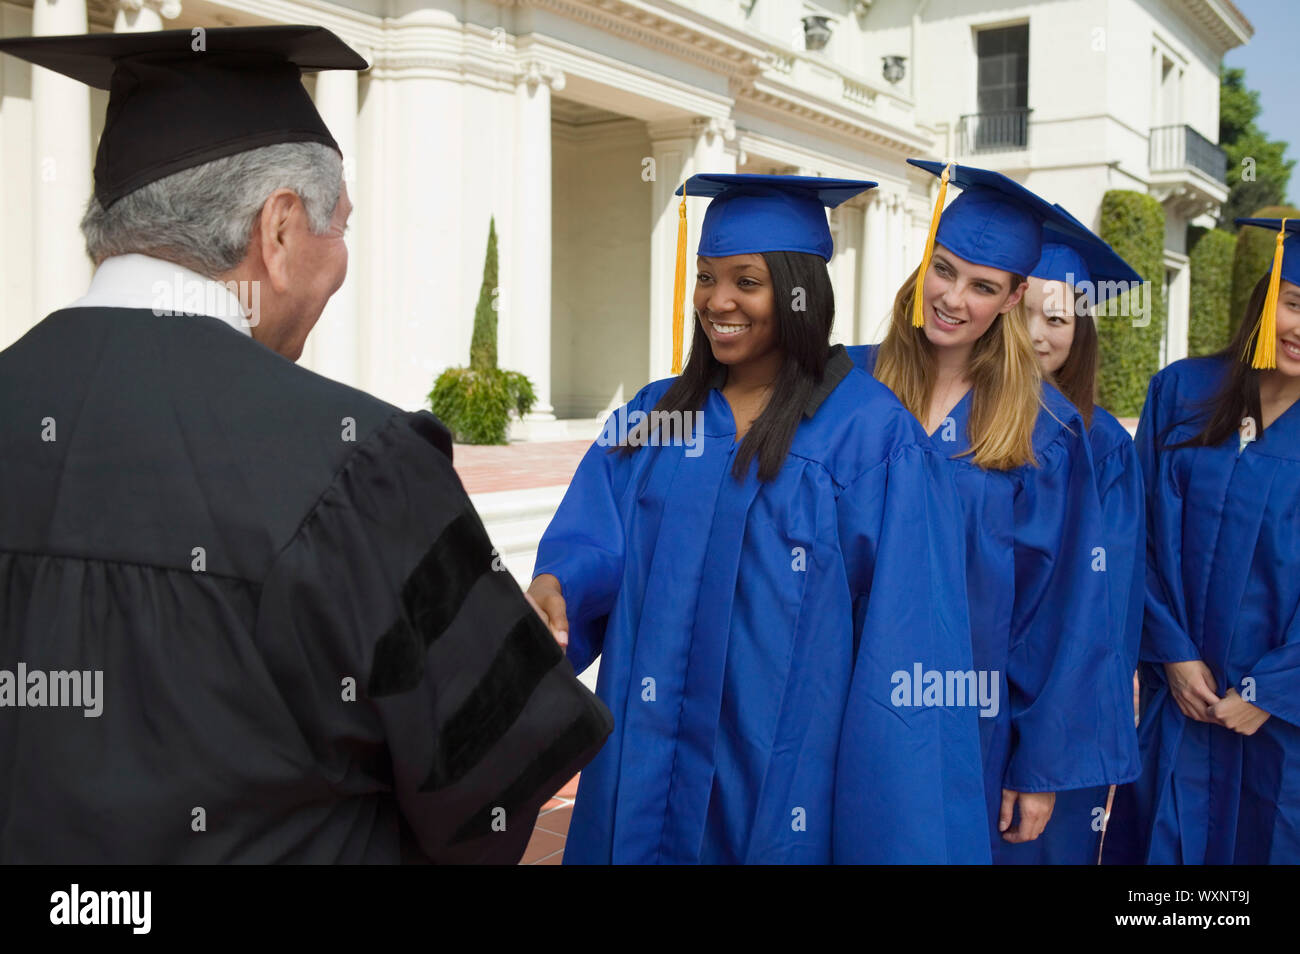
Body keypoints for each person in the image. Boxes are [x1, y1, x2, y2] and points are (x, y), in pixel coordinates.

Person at [0, 25, 611, 864]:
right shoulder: (358, 466)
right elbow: (483, 800)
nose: (342, 258)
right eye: (341, 227)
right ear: (280, 231)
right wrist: (511, 655)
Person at [527, 173, 989, 864]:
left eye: (747, 281)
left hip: (783, 787)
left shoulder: (870, 437)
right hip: (645, 766)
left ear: (800, 293)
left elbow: (907, 645)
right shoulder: (659, 414)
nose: (719, 301)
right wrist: (558, 587)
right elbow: (597, 535)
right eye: (707, 277)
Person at [847, 160, 1140, 863]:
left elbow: (1066, 609)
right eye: (943, 270)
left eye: (983, 286)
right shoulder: (847, 385)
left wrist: (1039, 766)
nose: (953, 298)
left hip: (977, 722)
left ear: (1010, 299)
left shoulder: (1044, 430)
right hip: (847, 698)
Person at [1108, 217, 1300, 864]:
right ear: (1267, 299)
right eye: (1295, 305)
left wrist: (1272, 690)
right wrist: (1171, 653)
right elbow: (1132, 534)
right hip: (1179, 701)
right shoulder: (1184, 391)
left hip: (1279, 727)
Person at [1012, 221, 1145, 864]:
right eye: (1024, 311)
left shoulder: (1102, 444)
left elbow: (1102, 609)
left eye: (1058, 319)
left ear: (1080, 332)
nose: (1038, 334)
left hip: (1056, 714)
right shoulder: (951, 419)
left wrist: (1047, 754)